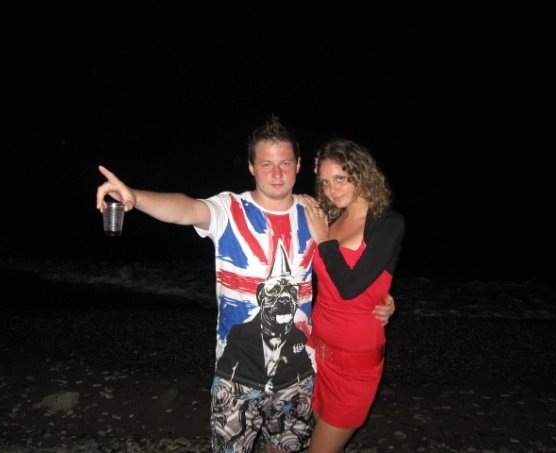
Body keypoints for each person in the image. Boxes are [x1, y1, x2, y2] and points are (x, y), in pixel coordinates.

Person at [96, 116, 396, 453]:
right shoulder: (229, 208)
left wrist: (382, 299)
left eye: (285, 163)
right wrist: (134, 196)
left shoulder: (315, 212)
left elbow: (348, 265)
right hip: (236, 379)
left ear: (298, 165)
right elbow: (185, 209)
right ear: (252, 167)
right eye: (266, 164)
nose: (277, 173)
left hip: (299, 376)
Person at [301, 138, 405, 453]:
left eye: (340, 178)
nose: (332, 189)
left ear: (361, 174)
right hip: (315, 354)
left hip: (353, 367)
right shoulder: (331, 219)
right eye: (325, 182)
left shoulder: (387, 223)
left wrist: (323, 240)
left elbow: (349, 287)